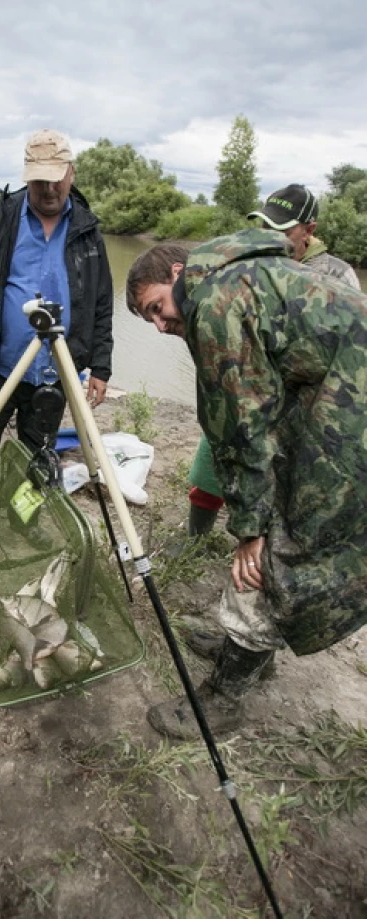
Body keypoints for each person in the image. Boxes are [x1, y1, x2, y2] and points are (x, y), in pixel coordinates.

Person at [125, 232, 367, 738]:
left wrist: (250, 530)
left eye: (156, 307)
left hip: (351, 421)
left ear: (177, 275)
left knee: (279, 546)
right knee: (275, 519)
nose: (159, 324)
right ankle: (249, 652)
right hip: (337, 398)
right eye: (148, 319)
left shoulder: (214, 300)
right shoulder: (240, 273)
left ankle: (228, 695)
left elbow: (240, 425)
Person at [0, 129, 114, 556]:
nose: (48, 189)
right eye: (38, 179)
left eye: (56, 178)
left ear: (71, 172)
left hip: (58, 369)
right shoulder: (2, 216)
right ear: (25, 176)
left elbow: (102, 301)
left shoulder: (87, 228)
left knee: (39, 459)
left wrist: (100, 365)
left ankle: (18, 526)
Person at [187, 183, 361, 541]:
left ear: (309, 229)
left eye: (283, 228)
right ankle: (195, 537)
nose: (271, 234)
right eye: (266, 224)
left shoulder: (335, 274)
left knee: (286, 479)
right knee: (214, 452)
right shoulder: (252, 260)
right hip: (248, 379)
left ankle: (264, 546)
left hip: (300, 399)